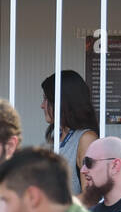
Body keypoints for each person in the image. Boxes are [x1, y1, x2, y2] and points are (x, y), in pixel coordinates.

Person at [41, 70, 98, 199]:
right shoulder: (58, 137)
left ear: (62, 101)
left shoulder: (86, 139)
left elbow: (91, 197)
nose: (42, 105)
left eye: (46, 99)